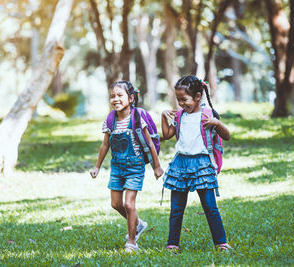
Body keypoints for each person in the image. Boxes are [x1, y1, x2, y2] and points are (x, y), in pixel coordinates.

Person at [90, 80, 164, 252]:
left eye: (120, 95)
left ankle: (131, 242)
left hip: (135, 166)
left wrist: (156, 167)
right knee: (116, 204)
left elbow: (150, 144)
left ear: (131, 98)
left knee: (129, 205)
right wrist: (97, 167)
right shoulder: (110, 120)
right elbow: (105, 145)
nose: (115, 99)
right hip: (117, 167)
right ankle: (137, 223)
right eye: (112, 96)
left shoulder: (137, 118)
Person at [161, 75, 231, 252]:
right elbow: (168, 134)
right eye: (178, 100)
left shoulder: (208, 116)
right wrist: (163, 117)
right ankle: (172, 244)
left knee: (210, 206)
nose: (181, 104)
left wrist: (217, 123)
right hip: (180, 165)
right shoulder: (180, 115)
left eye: (184, 99)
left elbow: (227, 135)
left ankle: (221, 242)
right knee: (176, 208)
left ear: (198, 96)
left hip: (202, 165)